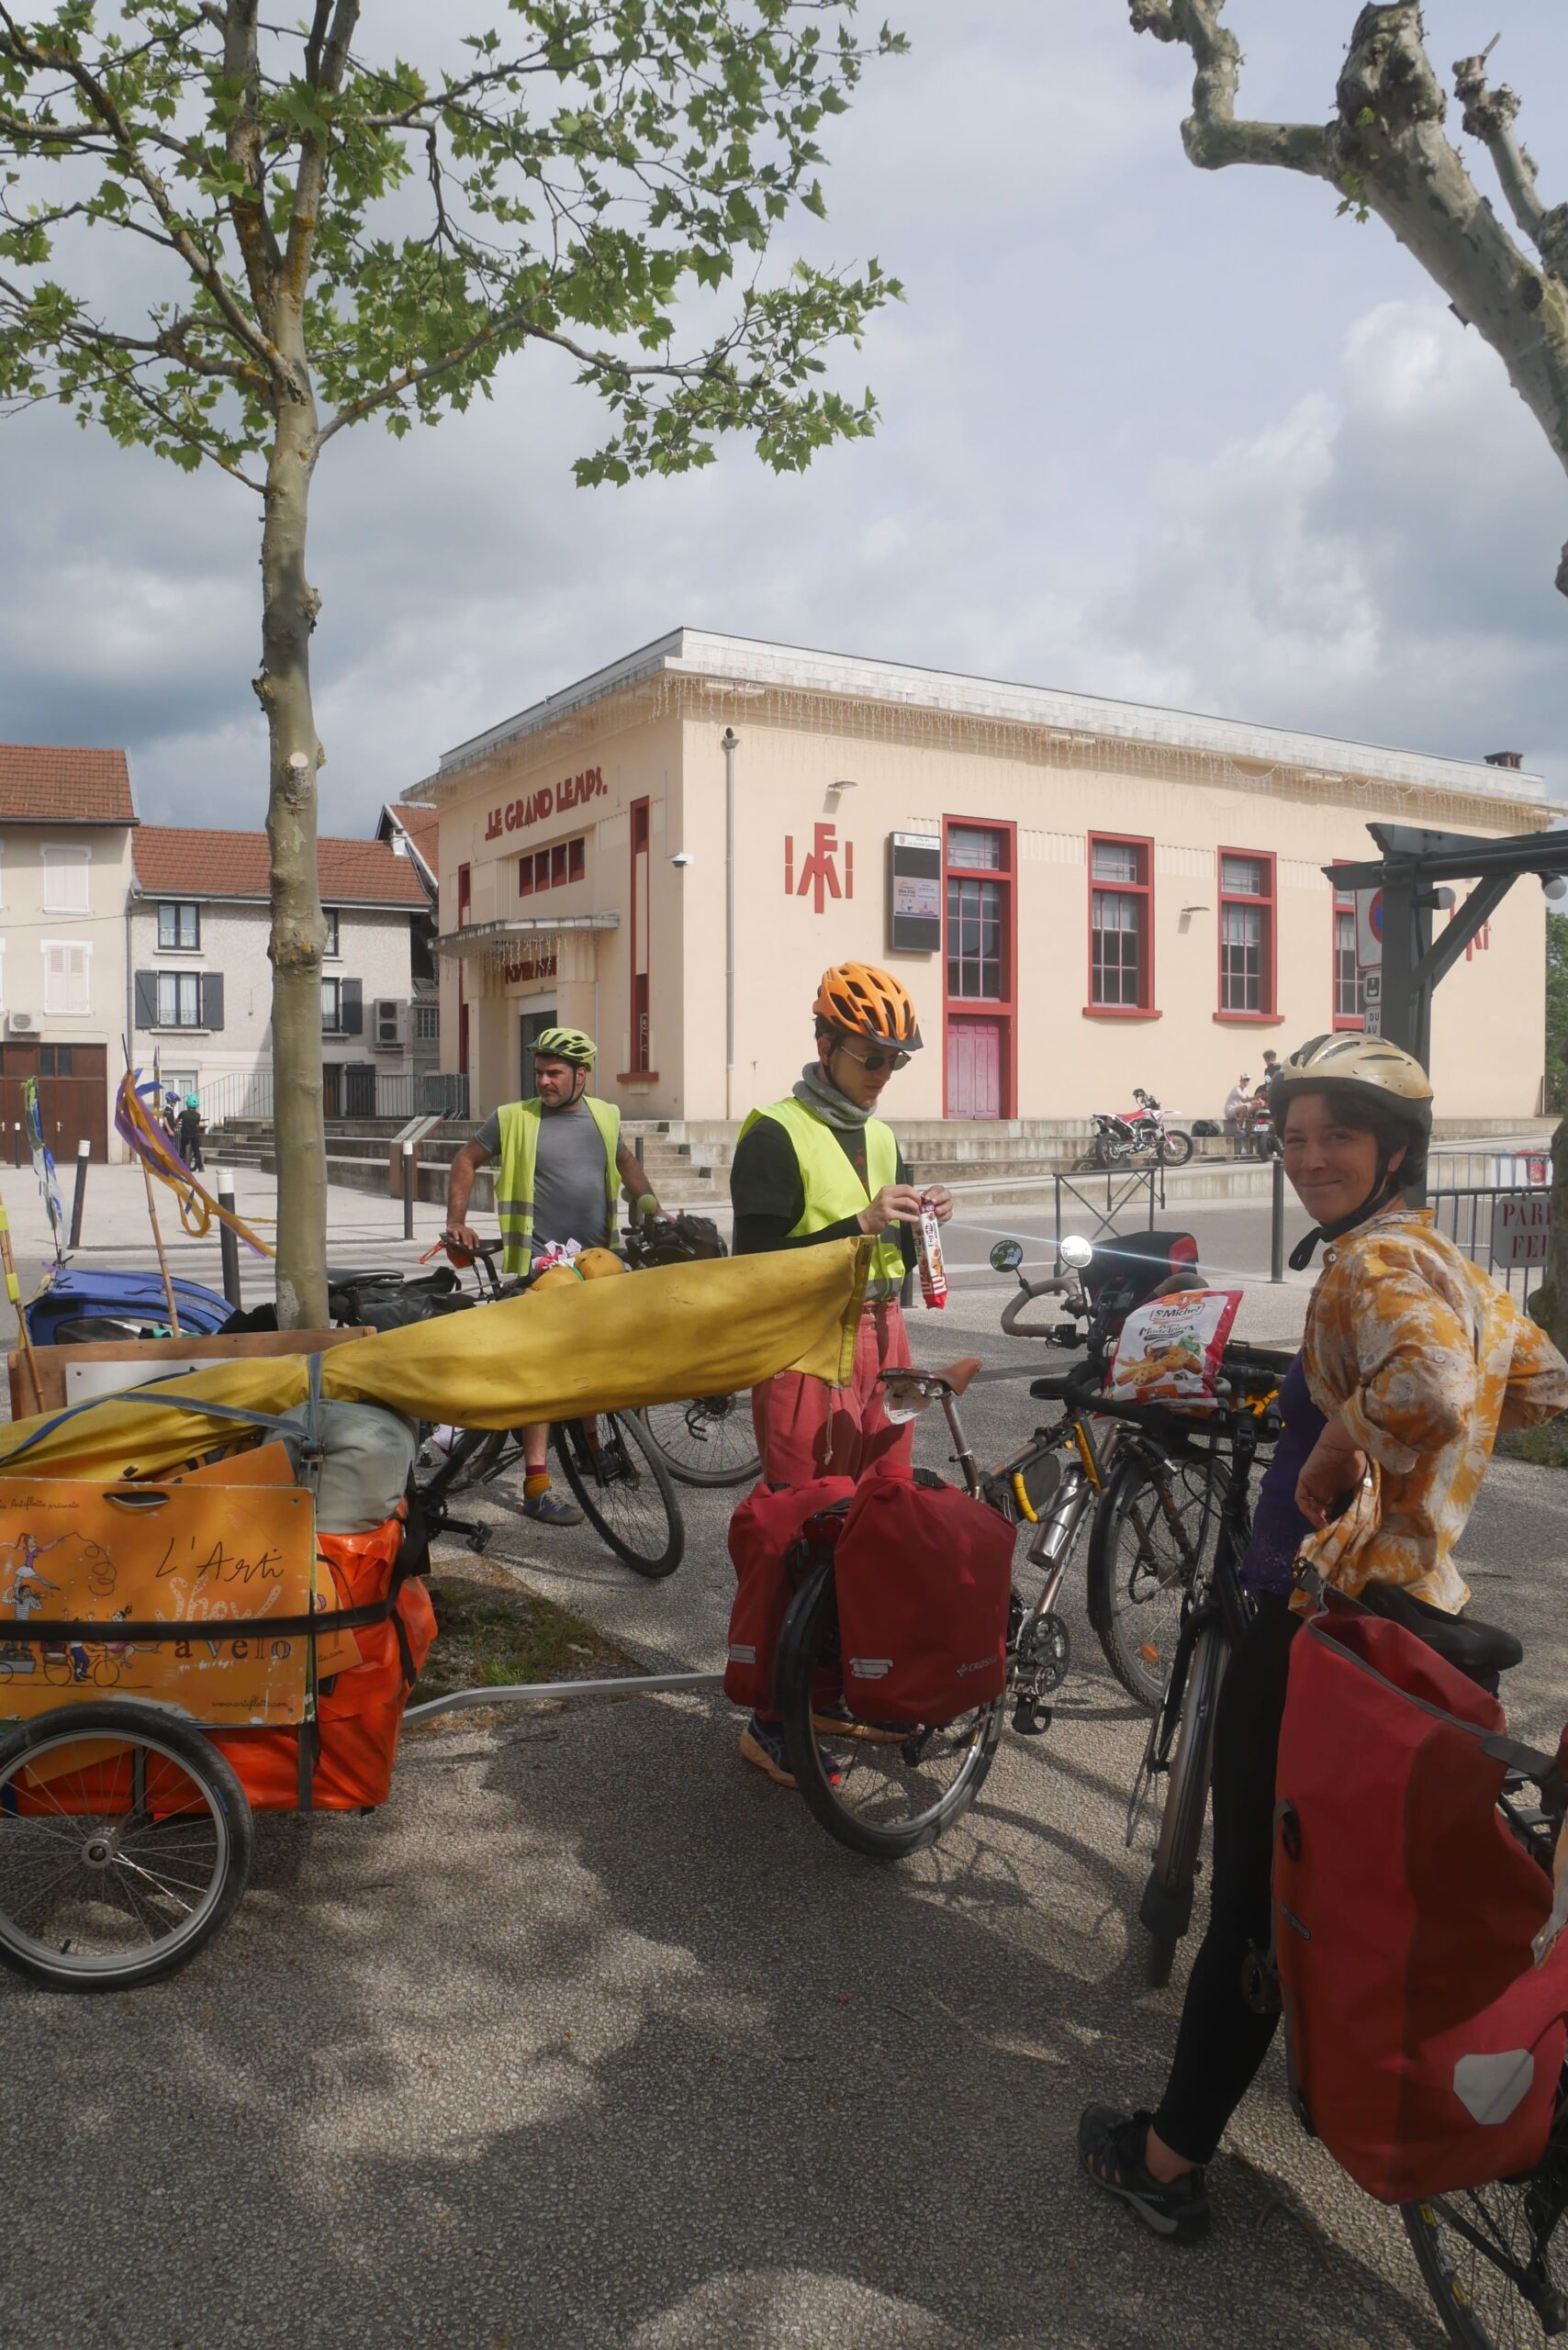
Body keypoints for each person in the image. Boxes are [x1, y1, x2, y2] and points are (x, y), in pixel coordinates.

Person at [1079, 1032, 1568, 2242]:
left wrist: (1349, 1425)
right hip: (1424, 1617)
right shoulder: (1444, 1258)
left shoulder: (1368, 1261)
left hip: (1319, 1622)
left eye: (1336, 1136)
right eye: (1294, 1138)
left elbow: (1438, 1390)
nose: (1309, 1159)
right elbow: (1540, 1374)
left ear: (1394, 1147)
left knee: (1256, 1898)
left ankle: (1165, 2161)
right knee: (1361, 1888)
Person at [729, 961, 953, 1785]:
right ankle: (769, 1716)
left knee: (876, 1516)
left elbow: (881, 1252)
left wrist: (916, 1221)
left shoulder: (882, 1132)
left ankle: (833, 1689)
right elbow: (752, 1268)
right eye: (869, 1057)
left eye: (897, 1059)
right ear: (824, 1043)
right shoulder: (773, 1132)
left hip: (881, 1339)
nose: (883, 1075)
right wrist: (857, 1221)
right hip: (804, 1348)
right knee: (799, 1528)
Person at [444, 1027, 663, 1527]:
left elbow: (626, 1162)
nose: (543, 1081)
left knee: (588, 1361)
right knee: (543, 1375)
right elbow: (465, 1159)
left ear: (580, 1075)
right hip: (535, 1264)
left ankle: (590, 1450)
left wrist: (652, 1207)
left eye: (554, 1073)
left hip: (592, 1264)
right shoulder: (513, 1118)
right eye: (539, 1072)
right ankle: (537, 1486)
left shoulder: (606, 1116)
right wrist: (457, 1221)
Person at [1222, 1073, 1252, 1158]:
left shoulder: (1246, 1090)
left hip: (1237, 1111)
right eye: (1244, 1080)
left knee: (1251, 1108)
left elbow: (1250, 1101)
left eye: (1247, 1080)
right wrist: (1254, 1098)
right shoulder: (1237, 1089)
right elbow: (1244, 1100)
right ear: (1240, 1081)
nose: (1246, 1082)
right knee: (1244, 1108)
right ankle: (1240, 1129)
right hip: (1230, 1111)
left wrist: (1258, 1101)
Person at [176, 1093, 205, 1172]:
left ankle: (179, 1165)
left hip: (185, 1133)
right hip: (194, 1135)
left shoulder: (183, 1113)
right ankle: (200, 1167)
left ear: (187, 1104)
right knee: (196, 1150)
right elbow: (197, 1123)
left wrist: (176, 1123)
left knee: (182, 1149)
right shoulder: (198, 1115)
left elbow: (177, 1121)